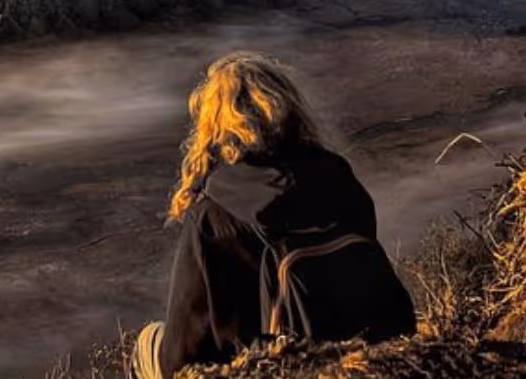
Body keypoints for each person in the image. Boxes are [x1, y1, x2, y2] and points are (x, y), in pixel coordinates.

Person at [135, 53, 416, 378]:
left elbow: (182, 355)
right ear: (290, 109)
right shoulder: (339, 179)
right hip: (362, 357)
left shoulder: (211, 217)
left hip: (269, 369)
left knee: (149, 342)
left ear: (213, 128)